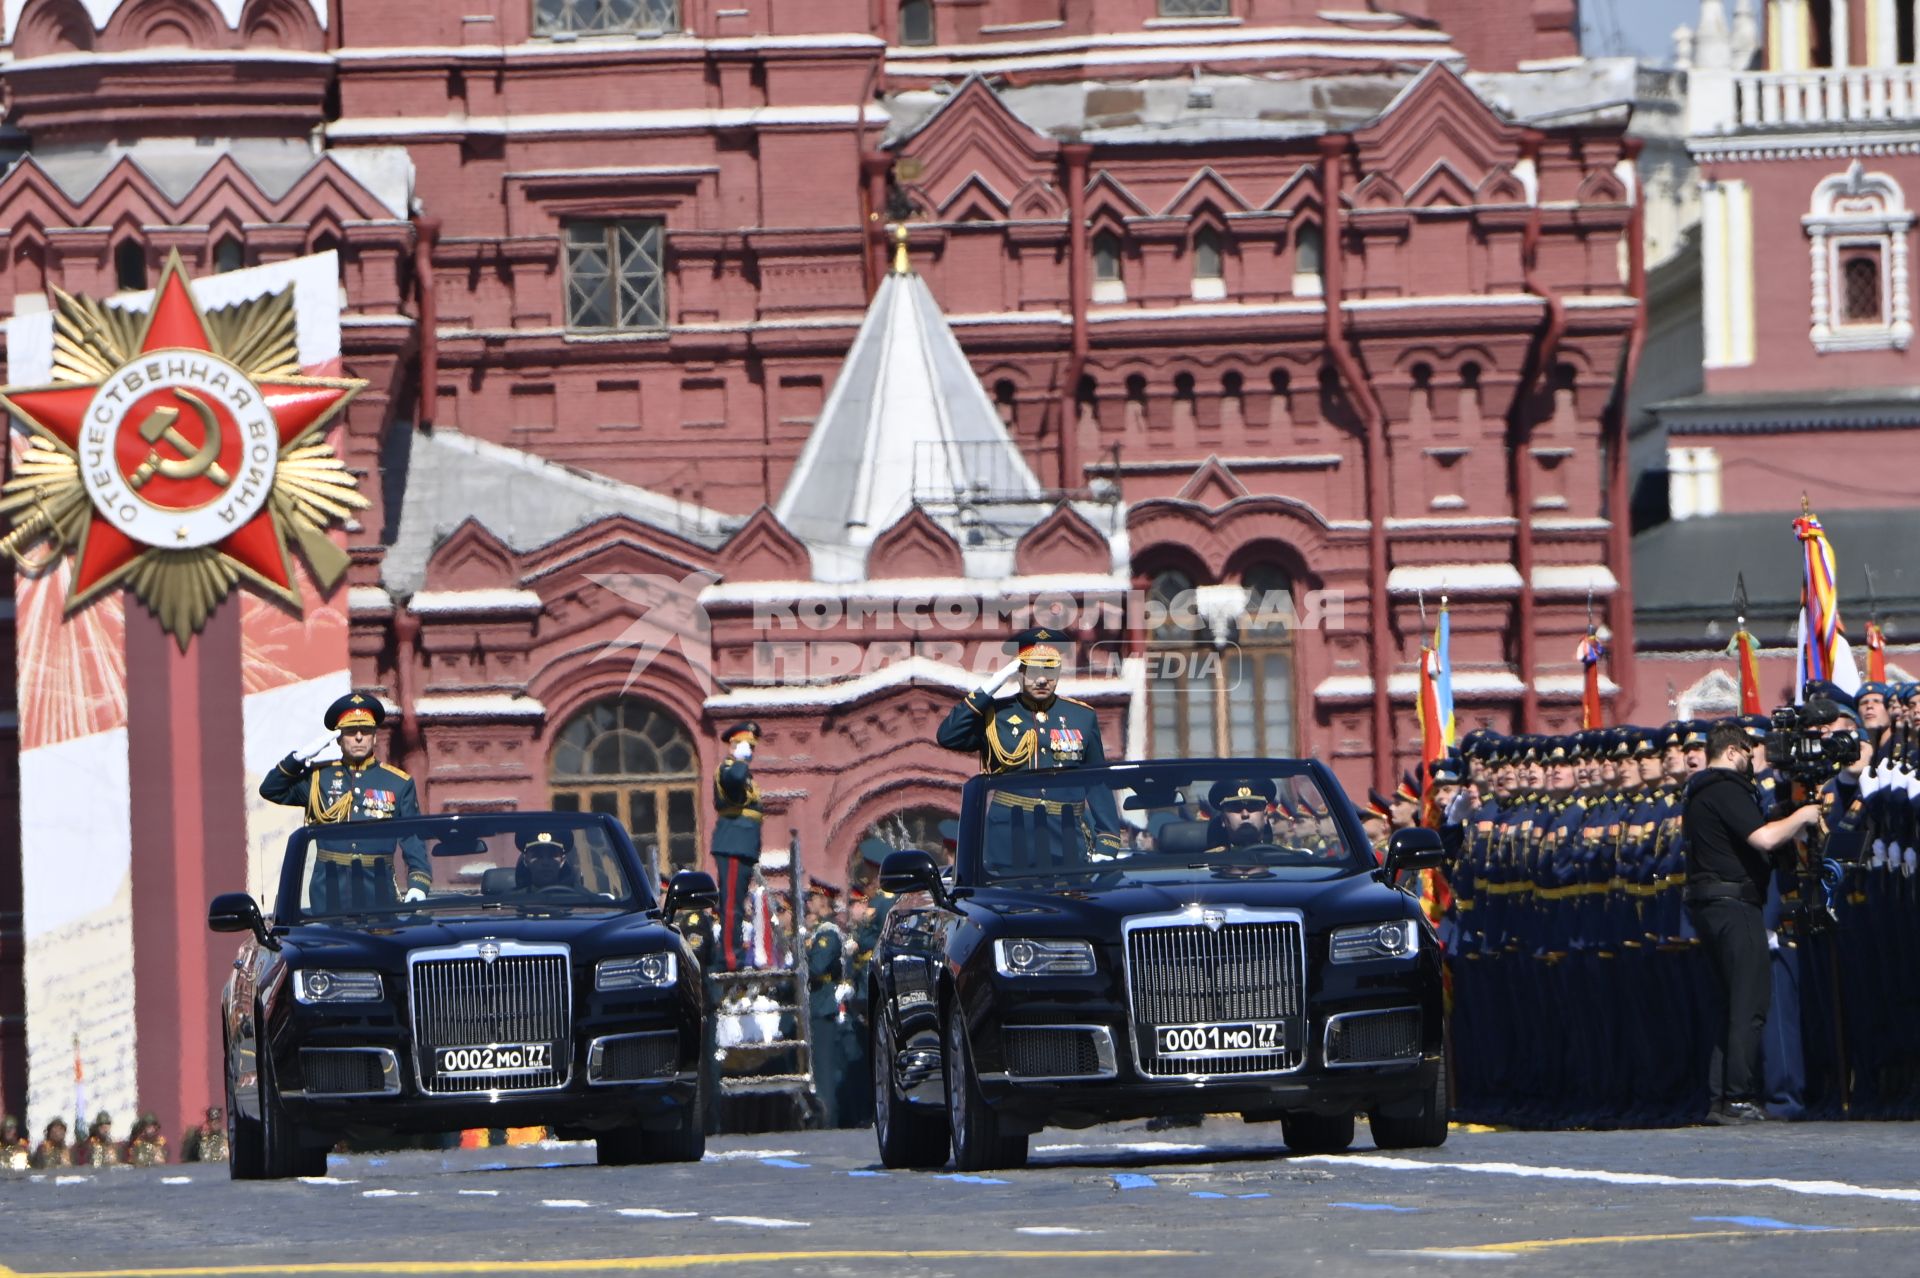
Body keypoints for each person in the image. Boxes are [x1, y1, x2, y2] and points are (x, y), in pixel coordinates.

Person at [1683, 720, 1832, 1124]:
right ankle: (1738, 1097)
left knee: (1729, 1004)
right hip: (1733, 905)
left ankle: (1720, 1098)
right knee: (1749, 1004)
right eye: (1748, 752)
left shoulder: (1698, 791)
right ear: (1732, 752)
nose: (1752, 760)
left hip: (1711, 904)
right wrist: (1802, 815)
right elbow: (1763, 839)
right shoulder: (1726, 787)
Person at [259, 691, 429, 911]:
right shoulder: (319, 778)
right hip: (329, 887)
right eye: (350, 732)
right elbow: (271, 789)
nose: (358, 737)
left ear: (375, 737)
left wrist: (418, 884)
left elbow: (412, 839)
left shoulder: (397, 782)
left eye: (365, 731)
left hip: (377, 887)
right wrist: (297, 759)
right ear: (338, 738)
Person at [937, 627, 1110, 773]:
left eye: (1049, 671)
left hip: (1064, 814)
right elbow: (948, 736)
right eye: (1033, 671)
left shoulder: (1082, 716)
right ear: (1019, 674)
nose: (1042, 680)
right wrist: (993, 684)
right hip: (1011, 814)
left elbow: (1097, 784)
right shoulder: (995, 715)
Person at [711, 720, 763, 972]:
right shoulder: (729, 768)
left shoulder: (743, 772)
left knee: (736, 905)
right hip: (733, 844)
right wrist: (740, 761)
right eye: (746, 745)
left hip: (743, 846)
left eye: (751, 746)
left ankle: (733, 955)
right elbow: (733, 782)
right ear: (733, 746)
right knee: (731, 904)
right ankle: (730, 958)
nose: (751, 751)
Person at [1203, 778, 1275, 851]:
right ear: (1223, 818)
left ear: (1265, 815)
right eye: (1235, 807)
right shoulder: (1212, 861)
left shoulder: (1283, 858)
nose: (1245, 814)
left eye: (1253, 806)